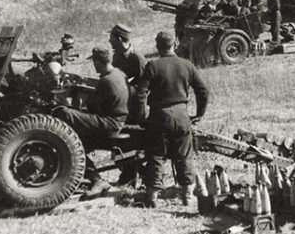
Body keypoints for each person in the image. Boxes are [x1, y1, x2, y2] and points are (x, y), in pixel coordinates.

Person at [133, 31, 210, 207]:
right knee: (184, 156)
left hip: (159, 116)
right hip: (182, 115)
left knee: (156, 155)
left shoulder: (153, 66)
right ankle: (187, 196)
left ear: (158, 46)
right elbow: (203, 91)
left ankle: (152, 197)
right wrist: (199, 114)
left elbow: (140, 95)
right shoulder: (187, 65)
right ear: (174, 44)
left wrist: (141, 118)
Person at [52, 48, 128, 196]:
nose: (94, 65)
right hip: (118, 118)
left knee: (64, 114)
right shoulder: (119, 74)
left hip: (110, 123)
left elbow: (92, 106)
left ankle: (96, 180)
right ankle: (93, 178)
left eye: (94, 62)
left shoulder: (106, 81)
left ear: (98, 62)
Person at [109, 23, 149, 186]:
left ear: (119, 39)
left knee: (134, 144)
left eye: (111, 38)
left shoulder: (137, 59)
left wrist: (140, 117)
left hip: (135, 109)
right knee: (121, 144)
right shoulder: (117, 56)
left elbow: (144, 88)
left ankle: (143, 176)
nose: (109, 41)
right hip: (121, 107)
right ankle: (128, 175)